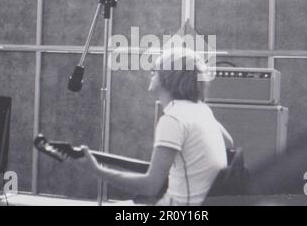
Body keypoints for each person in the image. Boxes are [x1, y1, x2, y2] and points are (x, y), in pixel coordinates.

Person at [78, 48, 233, 205]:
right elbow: (229, 143)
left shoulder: (173, 119)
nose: (151, 74)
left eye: (155, 70)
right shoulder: (201, 109)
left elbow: (150, 187)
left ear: (169, 77)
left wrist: (96, 170)